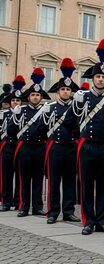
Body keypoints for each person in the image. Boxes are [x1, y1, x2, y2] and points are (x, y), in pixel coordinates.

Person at [67, 39, 104, 235]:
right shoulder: (82, 97)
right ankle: (88, 220)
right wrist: (79, 136)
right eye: (97, 76)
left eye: (103, 77)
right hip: (87, 145)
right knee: (87, 185)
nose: (100, 80)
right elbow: (70, 121)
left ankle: (102, 220)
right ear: (93, 78)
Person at [43, 58, 81, 224]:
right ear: (58, 91)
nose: (66, 92)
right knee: (54, 181)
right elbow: (41, 128)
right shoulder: (49, 107)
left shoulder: (77, 108)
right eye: (63, 89)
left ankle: (68, 211)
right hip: (56, 147)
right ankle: (53, 212)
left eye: (68, 89)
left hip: (71, 147)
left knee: (70, 181)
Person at [8, 69, 49, 217]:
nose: (35, 97)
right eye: (33, 95)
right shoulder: (22, 110)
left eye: (38, 95)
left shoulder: (45, 110)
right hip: (25, 147)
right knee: (24, 179)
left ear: (41, 97)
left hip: (40, 148)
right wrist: (15, 115)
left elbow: (48, 130)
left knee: (38, 178)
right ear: (29, 96)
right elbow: (11, 130)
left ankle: (37, 206)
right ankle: (24, 207)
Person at [0, 76, 25, 211]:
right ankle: (6, 201)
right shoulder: (3, 114)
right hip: (8, 146)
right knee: (6, 176)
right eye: (13, 100)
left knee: (20, 176)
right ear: (10, 102)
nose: (15, 102)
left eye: (18, 100)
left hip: (20, 147)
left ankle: (18, 201)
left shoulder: (26, 114)